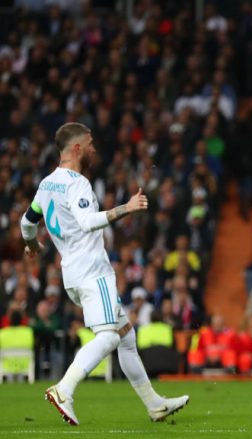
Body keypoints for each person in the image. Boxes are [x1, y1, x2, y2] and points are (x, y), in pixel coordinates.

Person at [20, 122, 189, 426]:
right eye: (90, 143)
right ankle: (64, 389)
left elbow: (27, 221)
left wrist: (32, 243)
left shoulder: (46, 184)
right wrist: (126, 207)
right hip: (92, 270)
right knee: (109, 337)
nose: (94, 149)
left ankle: (154, 404)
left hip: (72, 272)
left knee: (125, 336)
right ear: (76, 148)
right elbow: (86, 222)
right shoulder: (78, 183)